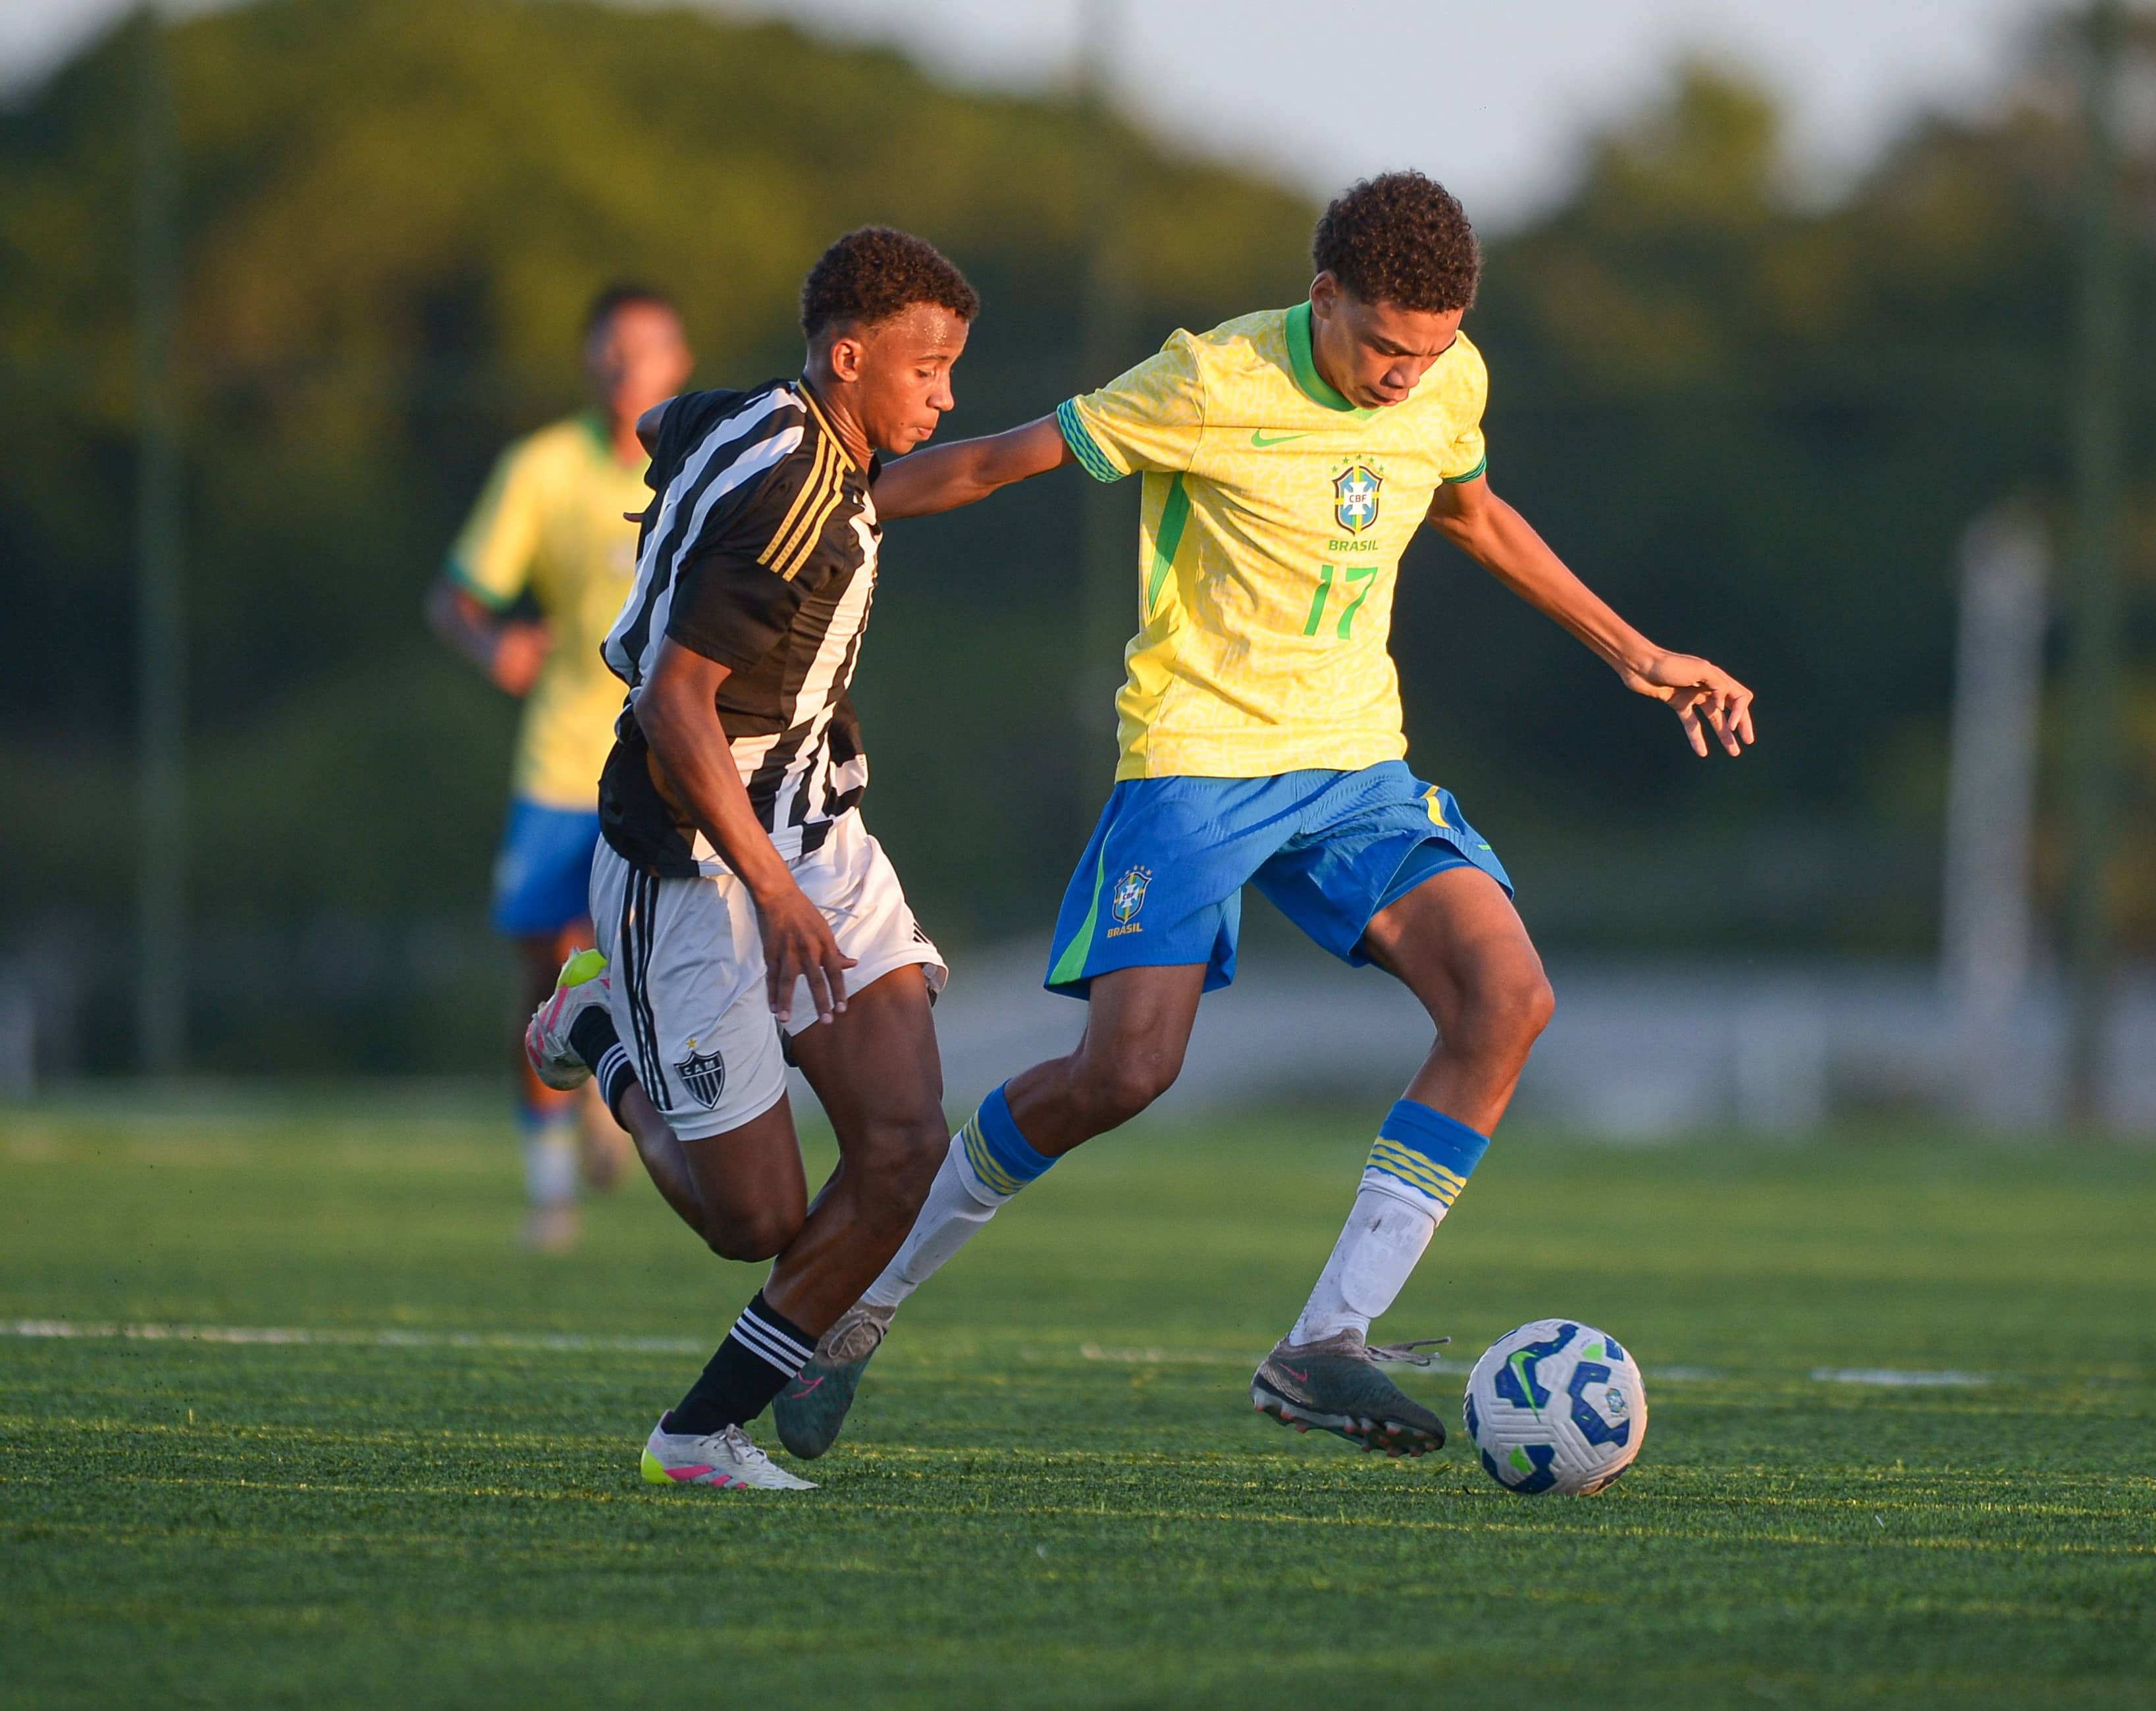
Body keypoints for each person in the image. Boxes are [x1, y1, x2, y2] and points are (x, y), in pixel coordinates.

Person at [768, 171, 1756, 1463]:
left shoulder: (1451, 381)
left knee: (1505, 999)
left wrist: (1632, 648)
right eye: (1387, 347)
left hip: (1357, 769)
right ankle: (865, 1300)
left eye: (1434, 351)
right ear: (1324, 296)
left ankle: (1325, 1341)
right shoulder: (1208, 381)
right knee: (1126, 1072)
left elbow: (1470, 511)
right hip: (1196, 764)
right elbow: (1001, 460)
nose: (1410, 378)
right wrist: (798, 506)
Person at [523, 226, 979, 1491]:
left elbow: (670, 423)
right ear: (849, 357)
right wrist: (771, 894)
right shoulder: (791, 496)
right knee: (757, 1222)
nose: (946, 396)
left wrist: (1105, 430)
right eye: (928, 369)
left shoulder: (774, 423)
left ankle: (699, 1433)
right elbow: (677, 709)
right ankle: (601, 1032)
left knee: (903, 1146)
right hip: (695, 860)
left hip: (817, 828)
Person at [430, 284, 691, 1251]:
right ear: (590, 362)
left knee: (658, 963)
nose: (628, 370)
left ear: (680, 363)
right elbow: (456, 598)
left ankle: (616, 1087)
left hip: (670, 762)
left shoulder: (707, 463)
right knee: (545, 967)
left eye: (647, 351)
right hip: (559, 764)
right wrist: (491, 643)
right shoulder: (538, 467)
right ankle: (550, 1191)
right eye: (611, 351)